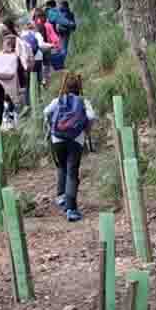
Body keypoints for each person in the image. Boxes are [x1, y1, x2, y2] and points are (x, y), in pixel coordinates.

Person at [44, 72, 96, 222]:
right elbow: (91, 116)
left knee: (62, 166)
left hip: (57, 138)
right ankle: (71, 209)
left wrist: (51, 124)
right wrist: (86, 128)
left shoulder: (58, 100)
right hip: (76, 139)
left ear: (65, 87)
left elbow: (46, 111)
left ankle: (61, 196)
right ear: (79, 88)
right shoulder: (83, 101)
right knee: (72, 171)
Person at [0, 35, 22, 130]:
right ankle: (11, 127)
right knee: (11, 107)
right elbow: (20, 72)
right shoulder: (15, 57)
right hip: (11, 87)